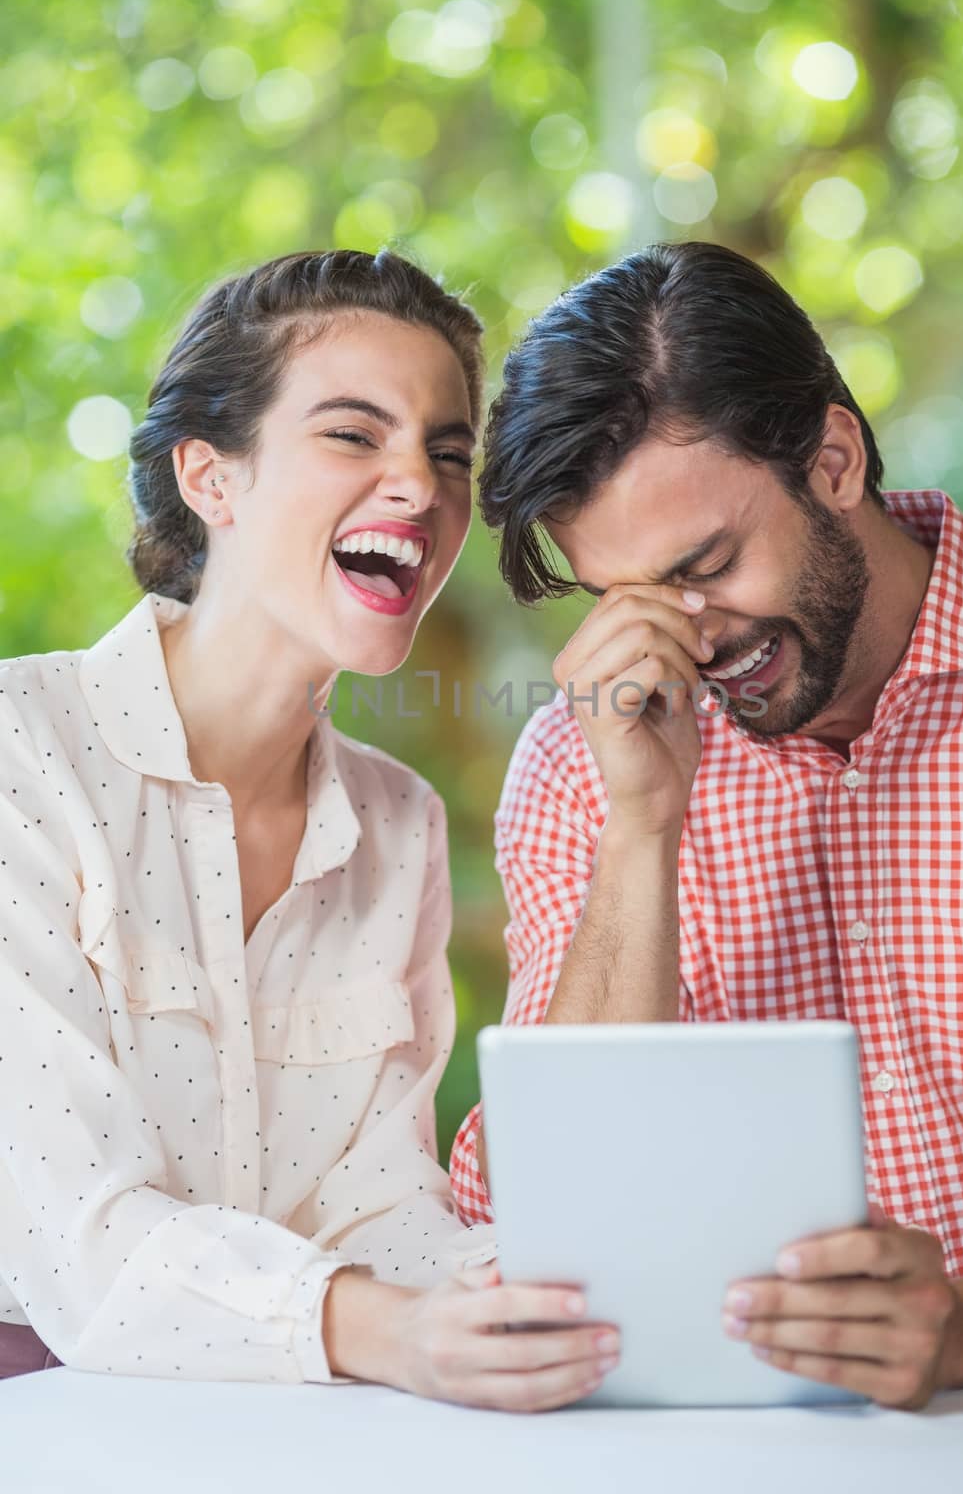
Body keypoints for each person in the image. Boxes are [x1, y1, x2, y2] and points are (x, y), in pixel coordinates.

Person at [450, 240, 963, 1410]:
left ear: (831, 459)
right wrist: (640, 827)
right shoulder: (587, 762)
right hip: (696, 1441)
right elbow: (528, 1213)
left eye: (707, 563)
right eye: (624, 597)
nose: (687, 639)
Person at [0, 248, 620, 1409]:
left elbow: (381, 1210)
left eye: (446, 451)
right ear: (210, 478)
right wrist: (389, 1330)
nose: (421, 488)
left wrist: (542, 1300)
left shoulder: (399, 824)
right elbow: (82, 1240)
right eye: (353, 434)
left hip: (293, 1421)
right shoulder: (20, 758)